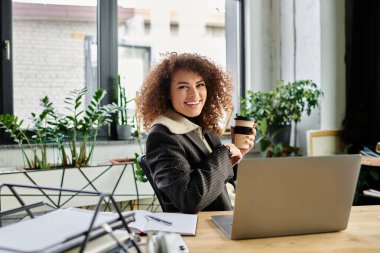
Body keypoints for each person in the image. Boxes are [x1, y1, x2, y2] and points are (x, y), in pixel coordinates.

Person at [136, 53, 256, 214]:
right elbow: (189, 199)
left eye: (200, 85)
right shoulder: (162, 137)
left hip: (232, 217)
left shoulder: (203, 127)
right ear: (167, 94)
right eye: (183, 87)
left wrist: (236, 154)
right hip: (205, 230)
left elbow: (220, 181)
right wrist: (225, 153)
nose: (194, 94)